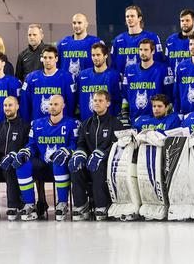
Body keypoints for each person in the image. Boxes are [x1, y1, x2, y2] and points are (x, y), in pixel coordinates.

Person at [13, 95, 79, 221]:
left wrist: (66, 151)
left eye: (56, 104)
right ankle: (29, 204)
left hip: (61, 165)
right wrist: (26, 152)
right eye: (51, 104)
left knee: (59, 161)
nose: (53, 107)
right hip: (43, 164)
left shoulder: (72, 123)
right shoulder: (37, 124)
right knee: (22, 165)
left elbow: (75, 145)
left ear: (63, 106)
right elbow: (31, 145)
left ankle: (62, 203)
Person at [69, 90, 124, 221]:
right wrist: (79, 154)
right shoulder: (86, 124)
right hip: (88, 161)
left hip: (107, 162)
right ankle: (81, 205)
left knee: (97, 165)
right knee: (75, 166)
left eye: (100, 101)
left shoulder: (115, 123)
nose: (97, 103)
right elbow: (81, 143)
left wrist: (102, 154)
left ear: (108, 103)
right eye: (95, 100)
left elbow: (119, 145)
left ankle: (102, 205)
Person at [122, 38, 173, 124]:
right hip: (135, 119)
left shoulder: (163, 69)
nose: (143, 52)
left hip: (156, 120)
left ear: (152, 51)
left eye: (146, 50)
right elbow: (125, 94)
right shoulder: (129, 70)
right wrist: (125, 114)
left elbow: (169, 96)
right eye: (141, 50)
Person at [19, 46, 76, 122]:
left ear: (56, 59)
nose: (47, 60)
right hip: (37, 124)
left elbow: (71, 103)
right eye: (45, 58)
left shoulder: (66, 77)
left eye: (50, 57)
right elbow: (25, 104)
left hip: (60, 124)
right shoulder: (31, 78)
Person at [77, 42, 122, 122]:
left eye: (98, 55)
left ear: (105, 56)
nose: (95, 58)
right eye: (93, 55)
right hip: (86, 124)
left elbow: (118, 101)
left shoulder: (114, 76)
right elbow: (77, 100)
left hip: (108, 123)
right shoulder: (82, 75)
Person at [111, 5, 164, 72]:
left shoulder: (152, 37)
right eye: (127, 16)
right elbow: (113, 64)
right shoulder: (118, 40)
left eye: (132, 16)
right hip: (123, 80)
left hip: (145, 78)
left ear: (139, 18)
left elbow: (159, 61)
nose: (129, 18)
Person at [57, 14, 103, 80]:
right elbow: (57, 67)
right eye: (74, 23)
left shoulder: (95, 42)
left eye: (79, 23)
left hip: (88, 83)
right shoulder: (63, 43)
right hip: (67, 84)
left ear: (86, 24)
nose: (76, 25)